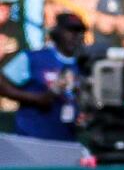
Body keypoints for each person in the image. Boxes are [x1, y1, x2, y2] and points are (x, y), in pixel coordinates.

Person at [0, 12, 85, 141]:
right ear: (56, 33)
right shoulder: (34, 58)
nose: (75, 36)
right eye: (70, 31)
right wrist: (36, 98)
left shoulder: (85, 64)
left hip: (67, 140)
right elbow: (2, 83)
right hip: (32, 138)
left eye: (79, 31)